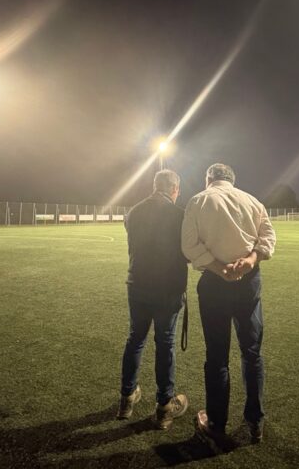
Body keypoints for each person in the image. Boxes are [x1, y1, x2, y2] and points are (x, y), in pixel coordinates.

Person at [181, 163, 276, 444]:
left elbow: (188, 245)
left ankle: (216, 422)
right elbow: (268, 238)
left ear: (208, 179)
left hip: (214, 284)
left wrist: (220, 268)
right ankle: (255, 422)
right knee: (252, 353)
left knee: (217, 356)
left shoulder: (198, 200)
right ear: (232, 180)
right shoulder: (253, 201)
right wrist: (249, 261)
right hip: (249, 283)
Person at [117, 169, 189, 429]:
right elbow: (188, 253)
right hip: (167, 289)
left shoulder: (134, 211)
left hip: (137, 284)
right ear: (175, 189)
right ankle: (165, 407)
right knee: (165, 343)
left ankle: (126, 398)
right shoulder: (180, 214)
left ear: (155, 185)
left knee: (135, 339)